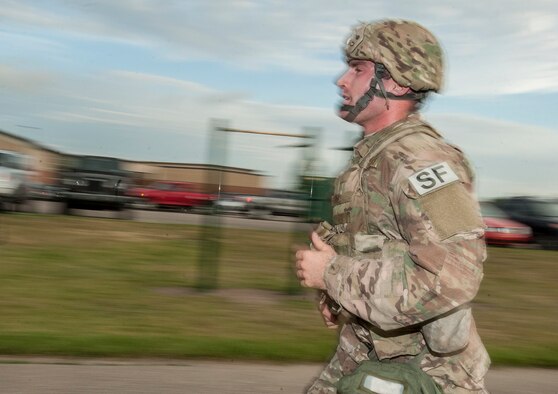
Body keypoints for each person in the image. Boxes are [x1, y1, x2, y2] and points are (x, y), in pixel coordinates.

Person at [294, 19, 490, 393]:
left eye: (357, 69)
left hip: (427, 371)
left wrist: (332, 274)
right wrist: (337, 296)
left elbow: (452, 276)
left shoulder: (421, 161)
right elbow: (381, 245)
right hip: (370, 348)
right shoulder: (377, 157)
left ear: (396, 82)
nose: (342, 80)